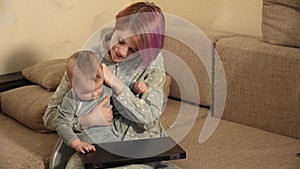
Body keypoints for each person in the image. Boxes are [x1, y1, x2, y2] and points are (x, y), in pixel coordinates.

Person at [44, 1, 181, 169]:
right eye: (121, 41)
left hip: (143, 146)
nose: (122, 52)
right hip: (99, 147)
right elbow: (50, 117)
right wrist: (86, 121)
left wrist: (116, 84)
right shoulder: (86, 60)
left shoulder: (153, 61)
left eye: (133, 50)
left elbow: (150, 116)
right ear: (116, 26)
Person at [56, 50, 120, 155]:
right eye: (87, 92)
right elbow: (62, 125)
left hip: (109, 140)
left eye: (98, 88)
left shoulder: (105, 90)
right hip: (84, 144)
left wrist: (135, 88)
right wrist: (77, 144)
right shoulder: (71, 101)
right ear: (73, 87)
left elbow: (121, 92)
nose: (95, 94)